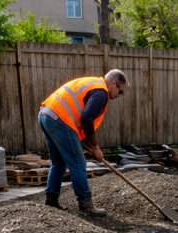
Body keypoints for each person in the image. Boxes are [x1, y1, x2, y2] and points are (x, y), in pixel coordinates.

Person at [39, 70, 128, 216]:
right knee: (78, 163)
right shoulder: (101, 92)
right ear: (113, 84)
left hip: (46, 115)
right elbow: (87, 118)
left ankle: (51, 201)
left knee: (59, 162)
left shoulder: (93, 84)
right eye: (120, 91)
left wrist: (90, 145)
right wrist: (95, 147)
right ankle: (85, 205)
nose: (119, 95)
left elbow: (82, 123)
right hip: (60, 119)